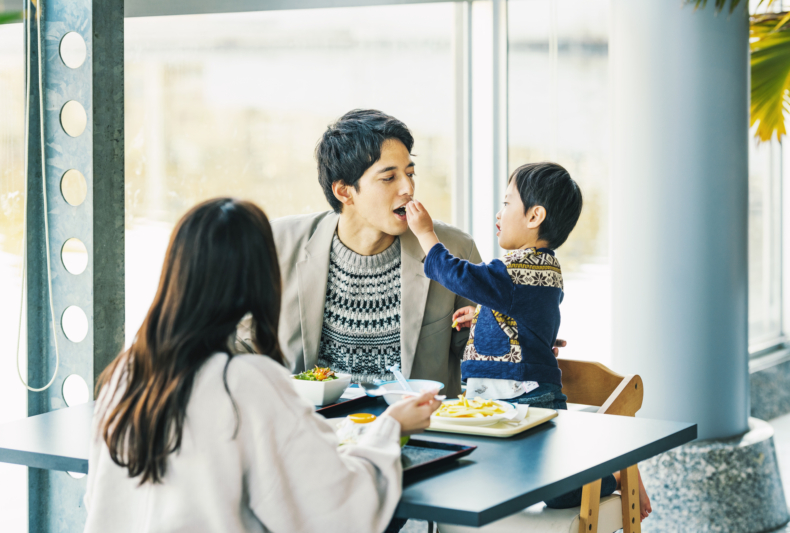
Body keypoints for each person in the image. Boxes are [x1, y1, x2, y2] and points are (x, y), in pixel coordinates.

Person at [83, 198, 442, 533]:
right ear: (261, 275)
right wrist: (390, 428)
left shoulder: (129, 372)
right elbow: (336, 508)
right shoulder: (243, 380)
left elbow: (97, 499)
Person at [405, 162, 651, 519]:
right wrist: (483, 315)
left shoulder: (518, 271)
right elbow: (526, 313)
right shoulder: (540, 268)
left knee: (559, 492)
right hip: (499, 398)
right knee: (492, 478)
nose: (498, 212)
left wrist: (426, 234)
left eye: (506, 203)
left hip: (527, 398)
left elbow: (462, 277)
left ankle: (615, 472)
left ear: (535, 215)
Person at [235, 109, 481, 398]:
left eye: (410, 173)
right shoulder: (279, 243)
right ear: (344, 191)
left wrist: (497, 327)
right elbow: (241, 345)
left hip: (419, 435)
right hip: (313, 431)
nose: (408, 188)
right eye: (389, 178)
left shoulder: (452, 249)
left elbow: (484, 357)